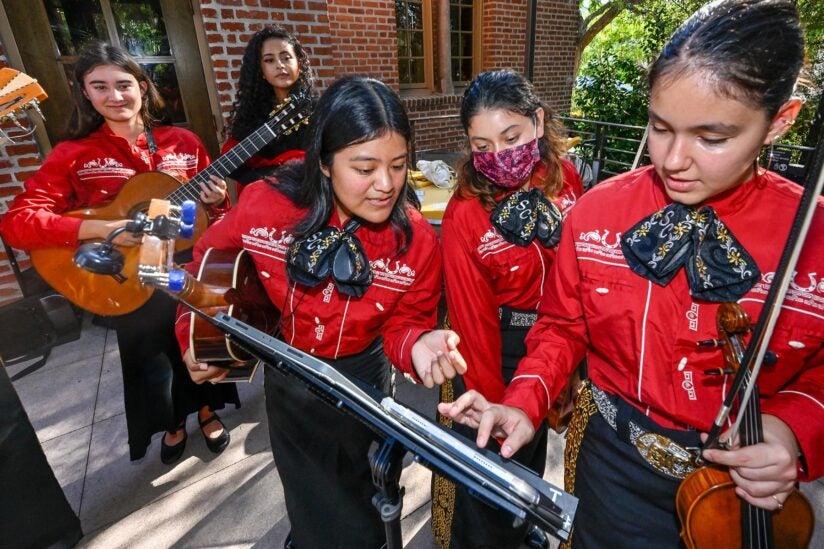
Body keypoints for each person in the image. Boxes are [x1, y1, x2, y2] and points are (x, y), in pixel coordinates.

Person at [439, 0, 823, 546]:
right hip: (612, 469)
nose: (673, 160)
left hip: (740, 493)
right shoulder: (598, 212)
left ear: (779, 121)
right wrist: (523, 401)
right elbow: (563, 327)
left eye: (711, 138)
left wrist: (792, 429)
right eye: (660, 127)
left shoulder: (814, 236)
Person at [177, 75, 468, 549]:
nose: (385, 185)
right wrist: (198, 337)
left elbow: (403, 323)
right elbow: (205, 264)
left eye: (398, 166)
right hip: (287, 373)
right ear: (325, 162)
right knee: (307, 492)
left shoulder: (413, 240)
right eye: (364, 166)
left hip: (362, 380)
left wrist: (418, 341)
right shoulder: (265, 204)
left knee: (363, 492)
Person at [0, 41, 240, 465]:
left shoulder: (182, 142)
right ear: (86, 93)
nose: (115, 96)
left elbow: (212, 217)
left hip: (184, 265)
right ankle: (171, 422)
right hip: (127, 277)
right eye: (100, 86)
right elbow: (17, 223)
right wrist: (104, 229)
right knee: (153, 354)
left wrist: (218, 200)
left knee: (201, 340)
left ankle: (207, 410)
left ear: (143, 87)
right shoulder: (74, 154)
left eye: (124, 84)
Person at [433, 69, 583, 549]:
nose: (497, 155)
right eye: (481, 146)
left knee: (533, 455)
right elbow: (473, 324)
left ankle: (522, 528)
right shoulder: (464, 213)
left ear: (538, 122)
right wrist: (496, 406)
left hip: (559, 341)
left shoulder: (567, 178)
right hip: (497, 349)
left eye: (511, 136)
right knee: (491, 475)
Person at [222, 26, 315, 194]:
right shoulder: (250, 116)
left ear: (299, 64)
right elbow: (234, 166)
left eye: (286, 58)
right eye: (269, 60)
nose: (280, 65)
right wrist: (268, 180)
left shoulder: (319, 109)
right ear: (261, 71)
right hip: (267, 201)